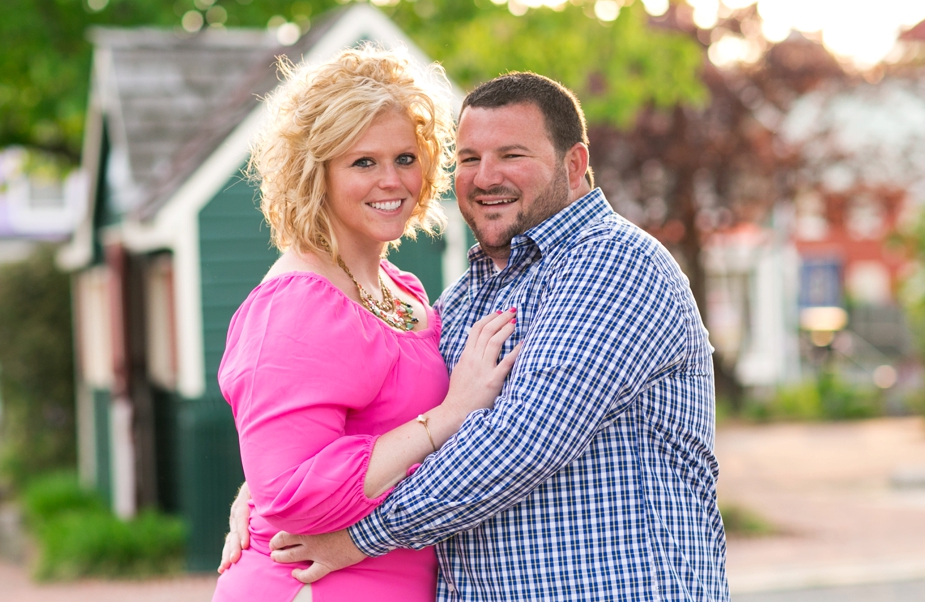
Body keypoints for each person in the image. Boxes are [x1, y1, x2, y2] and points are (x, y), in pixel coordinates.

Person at [223, 72, 730, 601]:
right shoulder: (465, 297)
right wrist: (266, 492)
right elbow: (385, 425)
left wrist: (354, 537)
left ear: (574, 165)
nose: (486, 177)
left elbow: (520, 443)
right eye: (468, 159)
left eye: (512, 155)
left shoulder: (614, 264)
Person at [211, 46, 521, 602]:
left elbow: (330, 447)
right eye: (363, 162)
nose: (392, 181)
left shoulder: (402, 288)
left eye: (406, 158)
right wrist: (453, 412)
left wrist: (251, 491)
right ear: (316, 174)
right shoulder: (298, 303)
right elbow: (287, 493)